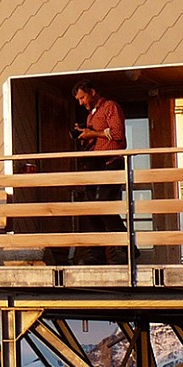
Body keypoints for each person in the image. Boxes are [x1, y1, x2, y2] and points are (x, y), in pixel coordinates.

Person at [71, 80, 130, 264]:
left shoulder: (110, 107)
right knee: (90, 207)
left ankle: (126, 248)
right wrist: (84, 133)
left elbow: (118, 133)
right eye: (78, 99)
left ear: (92, 92)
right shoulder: (91, 116)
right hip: (95, 163)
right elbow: (98, 137)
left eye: (82, 97)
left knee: (104, 205)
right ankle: (95, 253)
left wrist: (93, 134)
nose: (81, 102)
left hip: (111, 161)